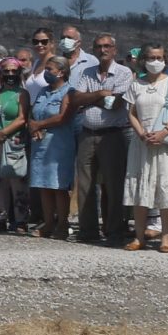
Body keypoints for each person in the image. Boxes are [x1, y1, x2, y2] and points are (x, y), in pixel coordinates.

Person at [65, 34, 134, 245]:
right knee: (85, 185)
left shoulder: (124, 72)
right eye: (98, 46)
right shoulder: (87, 72)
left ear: (114, 49)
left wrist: (90, 98)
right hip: (87, 132)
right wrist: (102, 94)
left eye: (107, 46)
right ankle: (88, 230)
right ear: (93, 50)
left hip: (112, 134)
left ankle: (114, 231)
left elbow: (117, 104)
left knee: (113, 185)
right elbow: (75, 99)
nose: (103, 50)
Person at [123, 45, 168, 253]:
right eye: (151, 57)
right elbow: (131, 112)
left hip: (164, 144)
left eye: (159, 57)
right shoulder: (136, 84)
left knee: (164, 190)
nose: (155, 61)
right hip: (141, 143)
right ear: (143, 60)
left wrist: (165, 132)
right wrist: (141, 133)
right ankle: (139, 236)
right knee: (140, 190)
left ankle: (166, 238)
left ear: (165, 59)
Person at [24, 54, 79, 240]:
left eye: (50, 69)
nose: (46, 73)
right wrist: (33, 126)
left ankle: (62, 224)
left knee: (58, 186)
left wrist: (41, 125)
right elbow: (34, 113)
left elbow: (63, 116)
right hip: (40, 143)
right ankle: (48, 223)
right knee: (43, 185)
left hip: (59, 145)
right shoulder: (43, 92)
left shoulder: (69, 92)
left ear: (62, 72)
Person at [0, 60, 33, 234]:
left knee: (18, 181)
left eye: (14, 71)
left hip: (15, 141)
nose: (10, 75)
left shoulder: (22, 94)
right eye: (6, 71)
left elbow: (22, 118)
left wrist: (5, 132)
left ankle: (21, 220)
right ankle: (1, 217)